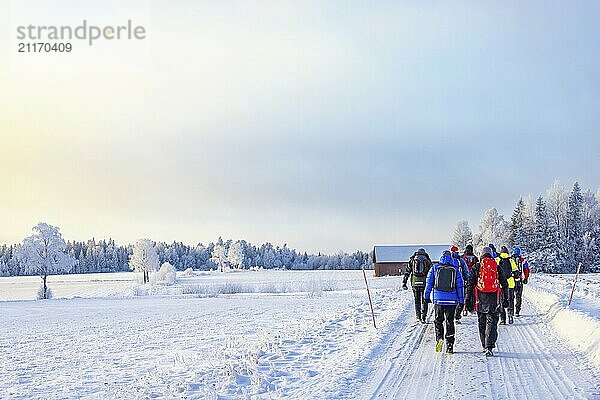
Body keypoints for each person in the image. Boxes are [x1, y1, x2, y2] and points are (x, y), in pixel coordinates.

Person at [465, 247, 509, 357]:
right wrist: (506, 299)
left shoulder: (477, 266)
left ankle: (484, 345)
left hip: (480, 298)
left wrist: (467, 299)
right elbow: (505, 283)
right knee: (492, 322)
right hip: (494, 298)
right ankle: (489, 346)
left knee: (482, 321)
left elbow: (470, 284)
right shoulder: (496, 266)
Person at [424, 250, 465, 354]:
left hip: (439, 300)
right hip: (452, 302)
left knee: (438, 321)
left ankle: (439, 339)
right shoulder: (456, 270)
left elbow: (428, 283)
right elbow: (460, 287)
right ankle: (450, 345)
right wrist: (461, 301)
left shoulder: (434, 268)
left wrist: (426, 297)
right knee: (450, 322)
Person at [403, 248, 433, 323]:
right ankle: (424, 317)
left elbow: (407, 272)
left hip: (414, 283)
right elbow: (431, 273)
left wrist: (404, 282)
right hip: (424, 283)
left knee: (417, 299)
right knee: (424, 299)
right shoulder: (427, 260)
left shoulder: (412, 260)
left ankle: (418, 316)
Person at [496, 245, 519, 324]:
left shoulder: (497, 260)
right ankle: (511, 315)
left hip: (501, 284)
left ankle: (503, 319)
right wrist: (517, 281)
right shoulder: (511, 260)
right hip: (510, 284)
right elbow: (516, 272)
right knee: (510, 299)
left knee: (501, 301)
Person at [450, 246, 469, 324]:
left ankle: (451, 315)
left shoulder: (448, 260)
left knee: (451, 299)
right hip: (460, 283)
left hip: (450, 283)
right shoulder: (461, 260)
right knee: (460, 299)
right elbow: (466, 271)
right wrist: (467, 280)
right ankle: (457, 316)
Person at [461, 244, 479, 316]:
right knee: (472, 294)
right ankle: (472, 308)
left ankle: (464, 309)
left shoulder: (462, 257)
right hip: (473, 278)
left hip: (463, 277)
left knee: (464, 293)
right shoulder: (475, 258)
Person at [512, 247, 530, 317]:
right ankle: (517, 311)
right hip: (519, 280)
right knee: (518, 296)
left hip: (511, 280)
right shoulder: (523, 260)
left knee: (511, 296)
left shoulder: (510, 259)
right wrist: (526, 278)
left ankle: (511, 310)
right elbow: (526, 270)